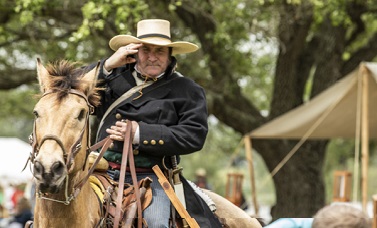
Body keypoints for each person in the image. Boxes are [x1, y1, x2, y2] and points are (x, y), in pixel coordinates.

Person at [93, 19, 222, 227]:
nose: (152, 58)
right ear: (134, 52)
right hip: (99, 171)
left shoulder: (187, 90)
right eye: (146, 50)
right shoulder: (109, 77)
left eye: (160, 51)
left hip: (152, 178)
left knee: (156, 224)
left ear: (170, 55)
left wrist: (139, 134)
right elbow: (69, 90)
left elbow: (194, 136)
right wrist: (107, 65)